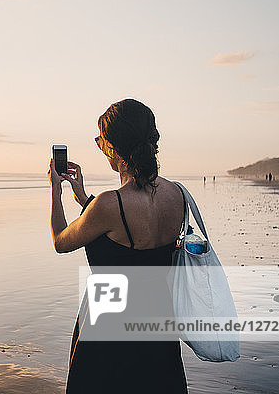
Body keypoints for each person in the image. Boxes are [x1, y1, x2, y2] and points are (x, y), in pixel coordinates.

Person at [48, 98, 188, 393]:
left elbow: (61, 241)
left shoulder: (108, 204)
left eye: (101, 141)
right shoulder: (177, 194)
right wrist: (83, 197)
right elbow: (125, 231)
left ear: (114, 149)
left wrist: (56, 192)